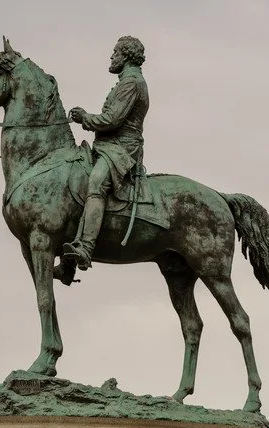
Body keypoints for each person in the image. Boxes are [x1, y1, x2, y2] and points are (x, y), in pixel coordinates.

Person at [63, 35, 150, 270]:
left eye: (115, 52)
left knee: (96, 183)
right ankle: (68, 261)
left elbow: (112, 119)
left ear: (126, 55)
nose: (112, 57)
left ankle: (85, 248)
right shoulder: (125, 81)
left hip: (121, 148)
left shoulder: (132, 82)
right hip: (107, 145)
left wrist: (85, 118)